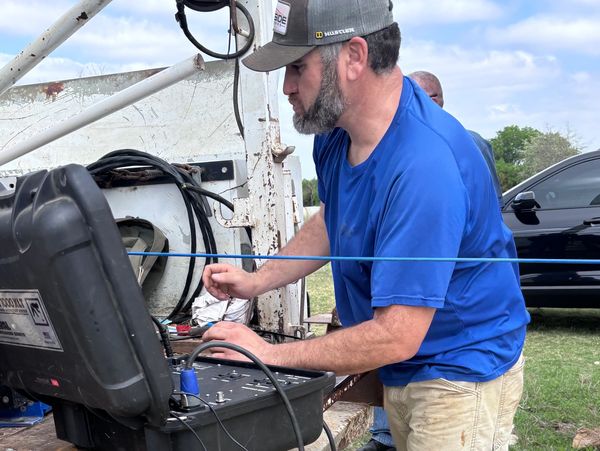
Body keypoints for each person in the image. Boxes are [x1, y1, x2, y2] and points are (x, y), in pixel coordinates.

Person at [201, 1, 530, 449]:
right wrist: (257, 281)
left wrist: (268, 355)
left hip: (460, 369)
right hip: (402, 361)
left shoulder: (425, 166)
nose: (287, 87)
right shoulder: (336, 134)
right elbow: (332, 220)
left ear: (354, 56)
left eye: (298, 67)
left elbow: (396, 334)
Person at [360, 70, 507, 451]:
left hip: (457, 336)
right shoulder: (384, 147)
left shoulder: (466, 144)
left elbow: (484, 211)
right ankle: (383, 435)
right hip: (401, 316)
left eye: (431, 98)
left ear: (442, 101)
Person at [409, 70, 504, 208]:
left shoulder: (473, 143)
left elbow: (493, 204)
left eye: (408, 98)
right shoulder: (405, 147)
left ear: (432, 101)